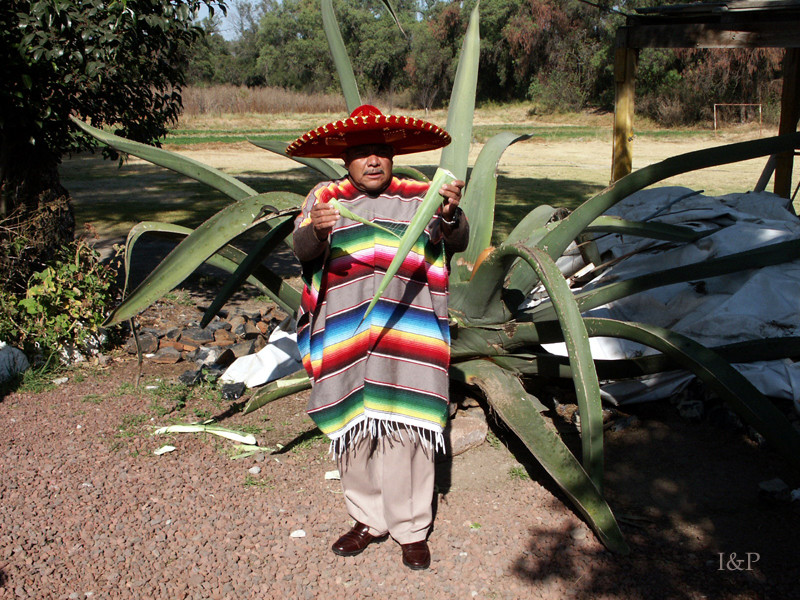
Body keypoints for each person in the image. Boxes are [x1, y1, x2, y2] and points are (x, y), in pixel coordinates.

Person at [287, 104, 469, 570]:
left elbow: (456, 239)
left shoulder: (420, 197)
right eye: (363, 153)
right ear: (345, 160)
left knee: (407, 423)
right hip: (345, 328)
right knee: (354, 424)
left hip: (408, 327)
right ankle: (368, 519)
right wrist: (317, 232)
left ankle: (411, 527)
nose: (373, 162)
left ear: (392, 157)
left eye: (382, 153)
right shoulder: (326, 198)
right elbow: (302, 250)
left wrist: (450, 214)